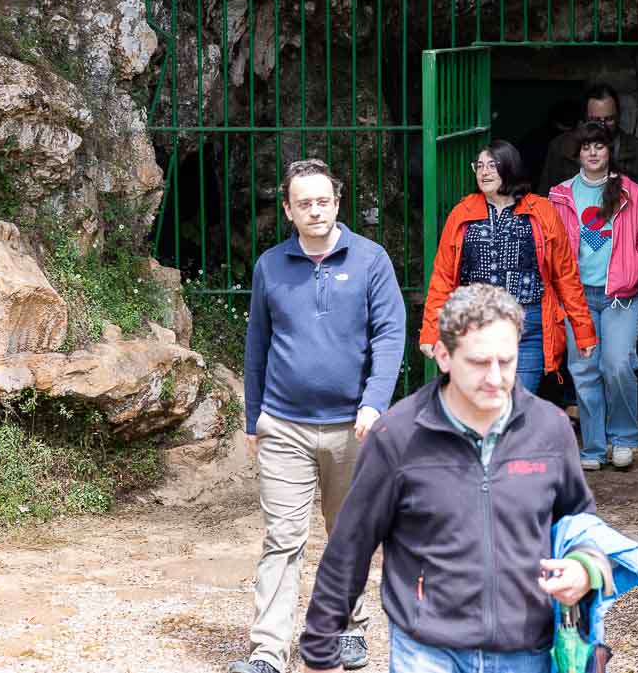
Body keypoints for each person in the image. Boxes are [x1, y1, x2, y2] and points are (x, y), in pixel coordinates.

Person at [299, 284, 613, 673]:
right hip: (427, 651)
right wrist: (319, 651)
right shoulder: (396, 436)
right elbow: (350, 546)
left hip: (529, 650)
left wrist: (585, 567)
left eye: (507, 361)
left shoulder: (551, 429)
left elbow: (580, 523)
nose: (496, 378)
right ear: (444, 356)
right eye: (480, 363)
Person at [230, 159, 407, 673]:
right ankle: (267, 653)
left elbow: (390, 336)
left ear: (337, 202)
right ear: (288, 210)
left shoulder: (371, 260)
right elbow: (257, 347)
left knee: (346, 532)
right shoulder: (270, 267)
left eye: (323, 200)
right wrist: (252, 419)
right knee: (282, 539)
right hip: (283, 424)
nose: (315, 210)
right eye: (304, 202)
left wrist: (375, 403)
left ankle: (347, 626)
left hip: (353, 426)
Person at [419, 139, 597, 392]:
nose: (484, 171)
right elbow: (442, 278)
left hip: (527, 325)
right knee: (486, 401)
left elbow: (566, 276)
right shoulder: (463, 213)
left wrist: (583, 331)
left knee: (517, 401)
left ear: (510, 167)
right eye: (479, 166)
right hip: (475, 326)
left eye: (492, 165)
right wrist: (430, 331)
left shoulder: (541, 211)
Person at [548, 122, 638, 471]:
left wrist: (637, 268)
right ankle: (593, 448)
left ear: (610, 150)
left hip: (620, 295)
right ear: (577, 153)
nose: (593, 152)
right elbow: (551, 245)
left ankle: (623, 438)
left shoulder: (631, 193)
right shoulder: (559, 194)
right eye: (586, 147)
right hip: (578, 296)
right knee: (583, 370)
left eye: (599, 146)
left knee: (618, 364)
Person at [539, 82, 638, 194]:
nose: (603, 126)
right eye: (596, 120)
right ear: (584, 119)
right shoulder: (561, 148)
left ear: (618, 117)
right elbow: (545, 199)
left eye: (609, 119)